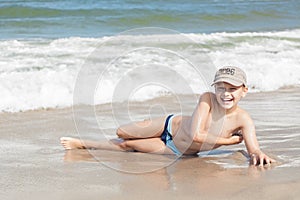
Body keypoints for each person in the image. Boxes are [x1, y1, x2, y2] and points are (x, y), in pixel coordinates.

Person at [61, 66, 275, 166]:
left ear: (244, 90)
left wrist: (257, 154)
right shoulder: (207, 98)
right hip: (170, 125)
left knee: (127, 146)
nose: (226, 94)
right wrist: (227, 141)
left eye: (232, 89)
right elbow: (197, 135)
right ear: (214, 88)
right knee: (122, 132)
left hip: (176, 150)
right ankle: (87, 142)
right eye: (221, 88)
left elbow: (253, 148)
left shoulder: (243, 119)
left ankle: (82, 144)